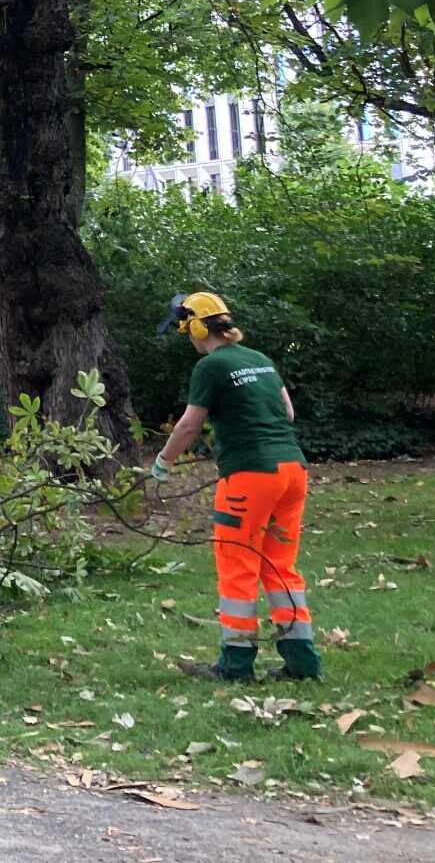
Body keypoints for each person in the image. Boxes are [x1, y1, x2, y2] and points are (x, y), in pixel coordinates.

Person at [151, 292, 320, 682]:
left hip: (250, 476)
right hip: (293, 470)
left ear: (196, 328)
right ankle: (303, 663)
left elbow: (189, 426)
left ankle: (236, 665)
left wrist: (163, 462)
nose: (188, 339)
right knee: (280, 567)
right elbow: (288, 412)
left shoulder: (210, 366)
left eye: (185, 330)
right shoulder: (260, 359)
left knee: (237, 564)